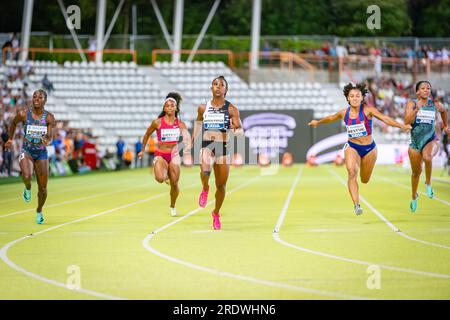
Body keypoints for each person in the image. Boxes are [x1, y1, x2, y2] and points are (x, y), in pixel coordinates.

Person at [308, 82, 411, 215]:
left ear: (362, 98)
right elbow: (331, 118)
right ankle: (357, 205)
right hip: (352, 146)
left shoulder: (368, 110)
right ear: (348, 98)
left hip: (369, 149)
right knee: (351, 172)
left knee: (364, 179)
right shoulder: (344, 113)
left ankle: (364, 170)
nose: (355, 98)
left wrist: (402, 126)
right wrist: (318, 122)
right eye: (352, 96)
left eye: (358, 95)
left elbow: (385, 118)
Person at [192, 76, 244, 230]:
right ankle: (205, 188)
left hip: (223, 147)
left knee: (221, 186)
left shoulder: (232, 109)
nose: (218, 87)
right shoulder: (203, 107)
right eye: (215, 84)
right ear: (211, 88)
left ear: (226, 90)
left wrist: (233, 127)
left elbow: (239, 129)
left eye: (222, 85)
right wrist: (194, 139)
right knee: (205, 170)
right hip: (207, 144)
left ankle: (215, 213)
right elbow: (198, 123)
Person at [4, 89, 56, 224]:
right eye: (34, 96)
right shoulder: (24, 114)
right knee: (27, 176)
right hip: (26, 150)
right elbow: (13, 123)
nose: (36, 99)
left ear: (45, 100)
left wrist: (47, 141)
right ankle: (27, 188)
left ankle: (39, 210)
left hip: (41, 153)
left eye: (40, 97)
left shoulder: (49, 117)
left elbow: (50, 137)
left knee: (43, 189)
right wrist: (10, 139)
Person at [138, 92, 191, 217]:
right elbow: (146, 135)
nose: (170, 107)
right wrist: (142, 149)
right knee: (160, 179)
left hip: (174, 155)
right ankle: (164, 173)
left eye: (172, 105)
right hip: (161, 154)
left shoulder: (181, 124)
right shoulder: (157, 123)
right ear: (164, 108)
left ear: (176, 108)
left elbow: (187, 139)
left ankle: (172, 205)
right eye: (167, 106)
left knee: (175, 184)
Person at [404, 81, 449, 212]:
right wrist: (416, 110)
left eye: (428, 88)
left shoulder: (434, 104)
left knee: (428, 158)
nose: (425, 90)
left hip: (431, 139)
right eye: (422, 88)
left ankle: (428, 183)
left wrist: (445, 126)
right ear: (417, 91)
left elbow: (444, 111)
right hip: (415, 142)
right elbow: (406, 121)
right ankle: (414, 196)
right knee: (415, 173)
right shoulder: (412, 104)